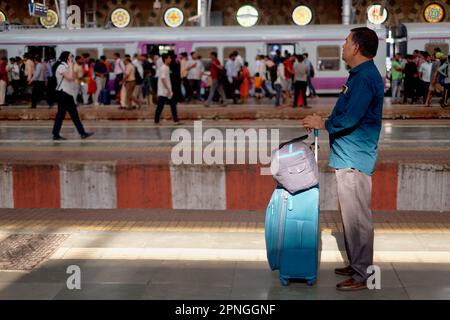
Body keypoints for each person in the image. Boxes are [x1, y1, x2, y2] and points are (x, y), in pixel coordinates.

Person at [303, 27, 384, 291]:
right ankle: (356, 264)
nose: (342, 46)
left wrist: (322, 123)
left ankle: (364, 275)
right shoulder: (360, 75)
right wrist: (324, 121)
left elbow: (351, 117)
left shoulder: (364, 78)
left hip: (354, 157)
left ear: (357, 47)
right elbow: (347, 112)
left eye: (346, 41)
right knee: (350, 216)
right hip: (348, 155)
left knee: (358, 218)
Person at [51, 51, 94, 140]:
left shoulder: (67, 66)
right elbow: (69, 77)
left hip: (68, 93)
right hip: (62, 93)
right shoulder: (61, 66)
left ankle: (82, 133)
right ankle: (55, 134)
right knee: (61, 115)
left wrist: (71, 66)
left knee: (74, 114)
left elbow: (73, 77)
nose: (72, 58)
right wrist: (71, 65)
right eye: (71, 57)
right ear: (66, 57)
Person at [154, 53, 180, 124]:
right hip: (164, 91)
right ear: (166, 59)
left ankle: (175, 120)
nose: (170, 59)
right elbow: (163, 79)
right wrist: (168, 89)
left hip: (166, 91)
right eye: (169, 58)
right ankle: (157, 120)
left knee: (171, 105)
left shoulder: (166, 67)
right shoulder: (164, 68)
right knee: (161, 106)